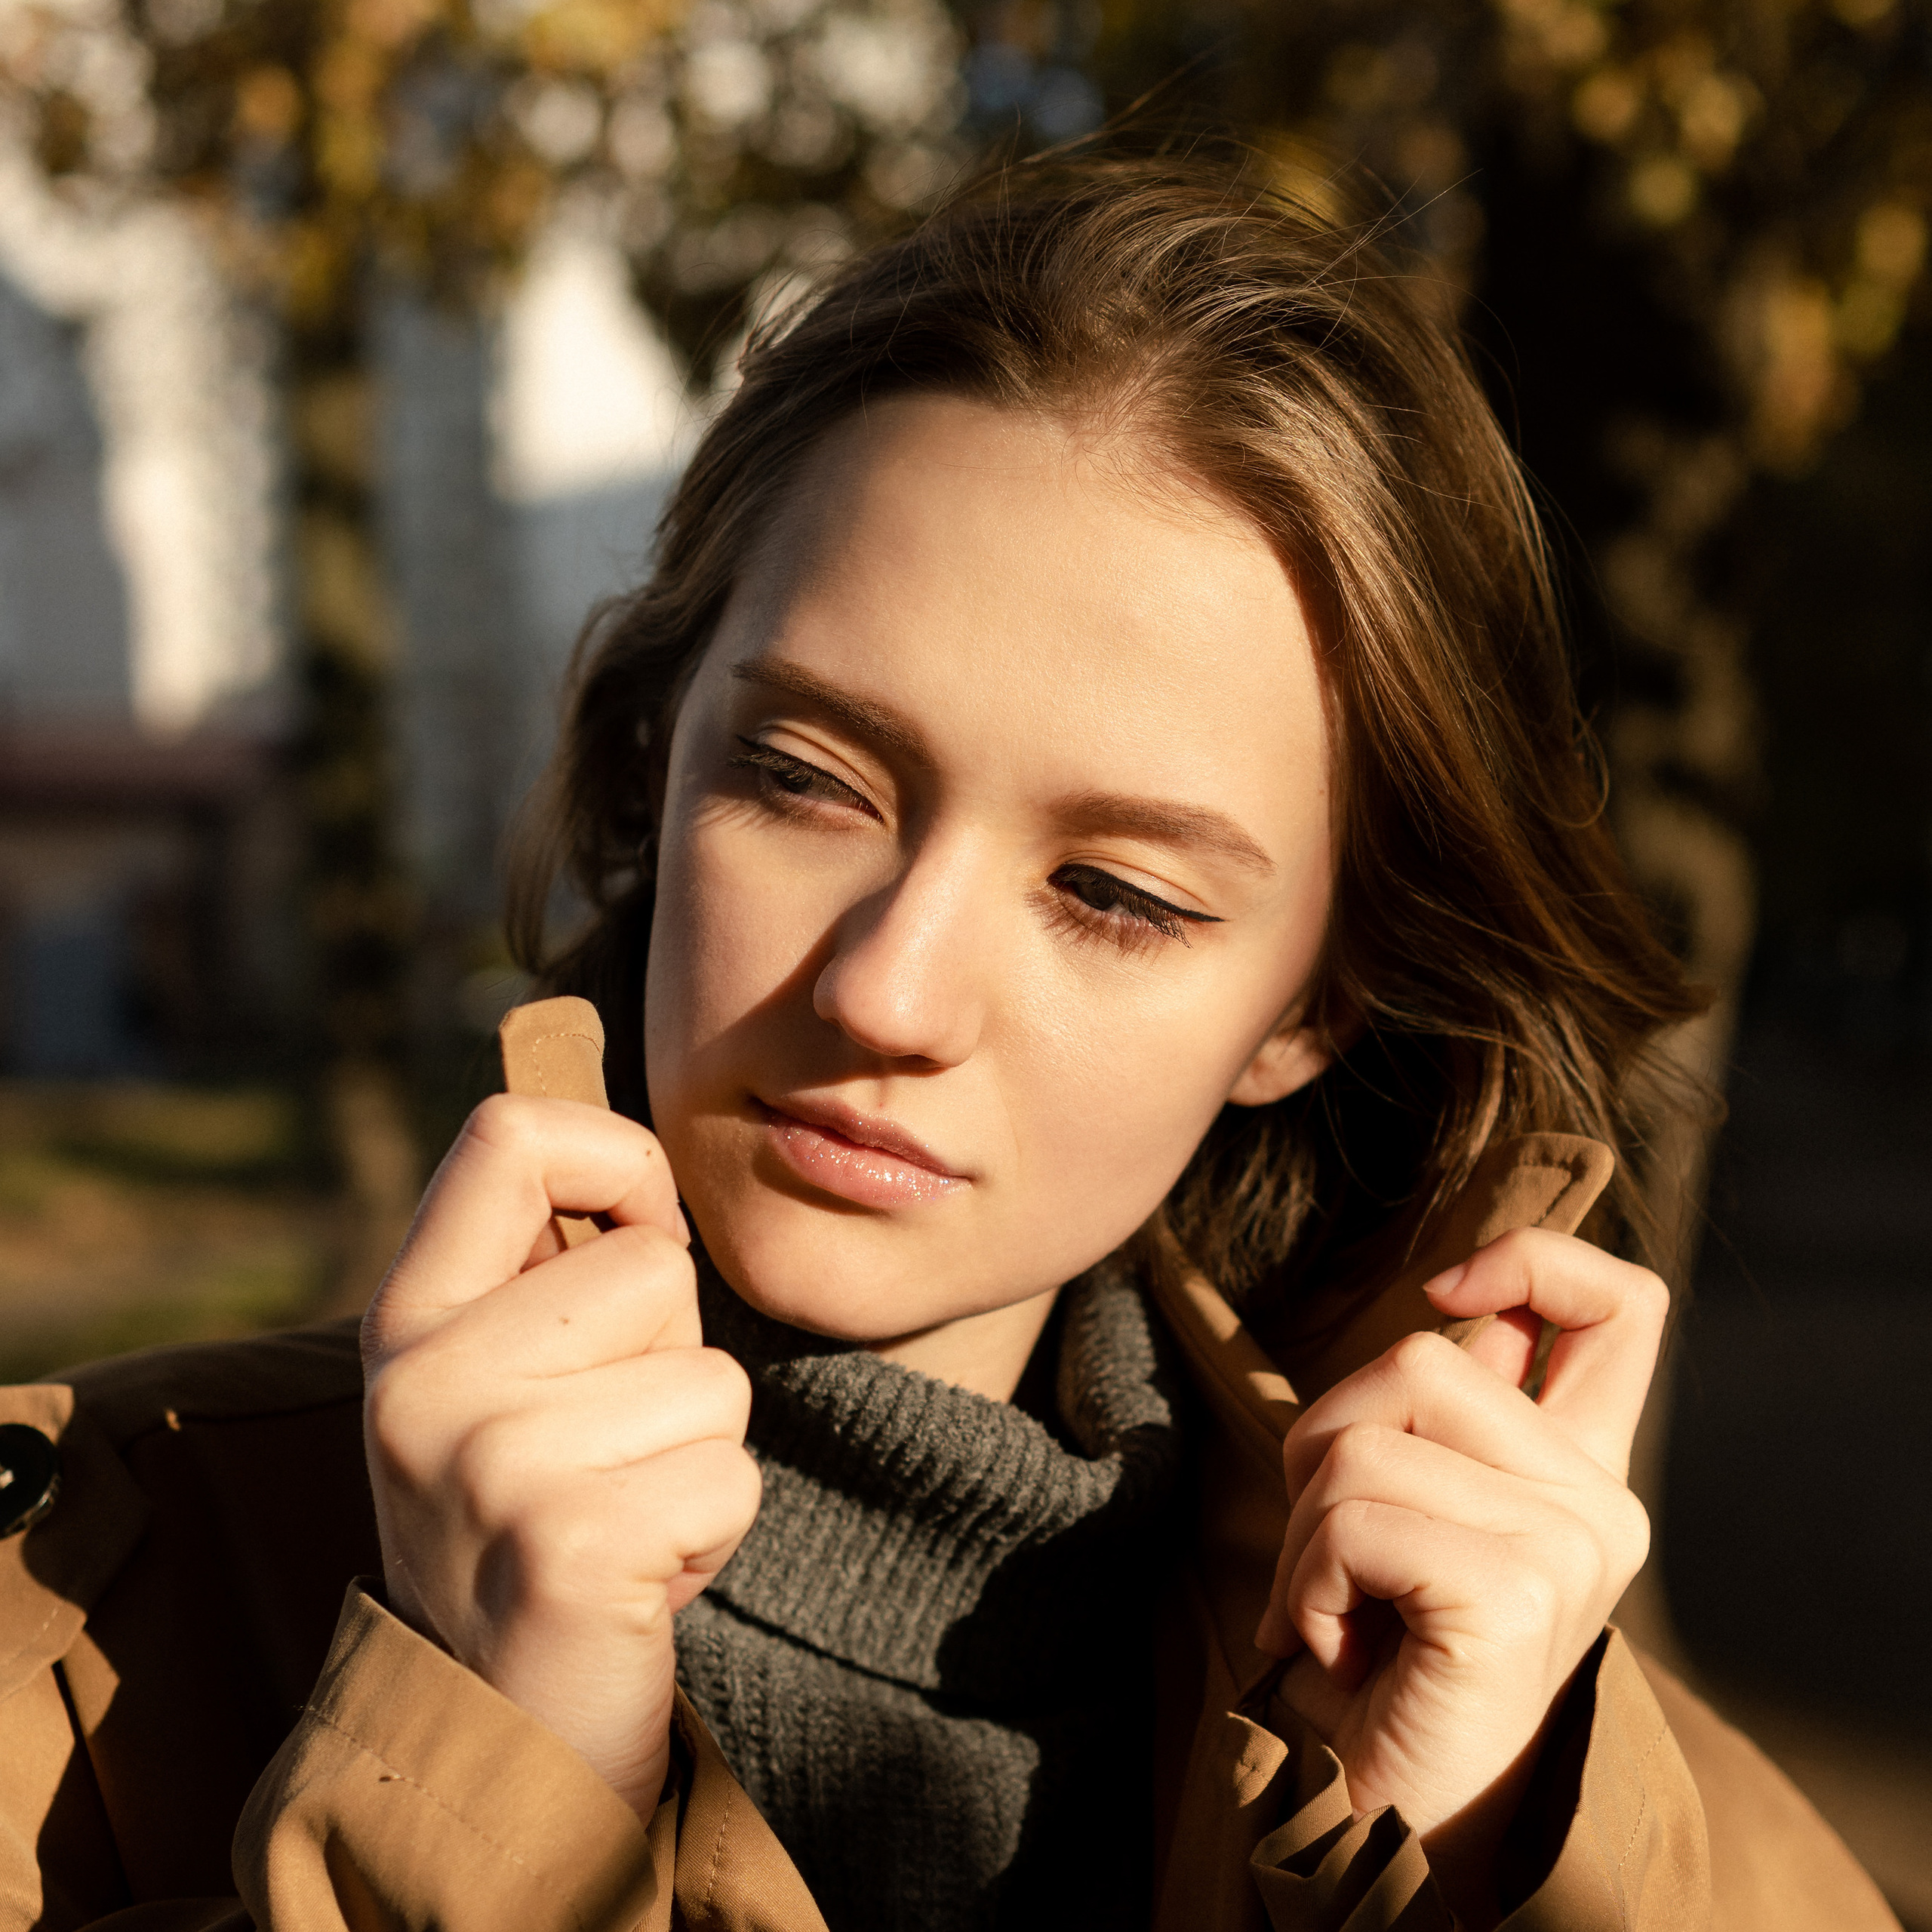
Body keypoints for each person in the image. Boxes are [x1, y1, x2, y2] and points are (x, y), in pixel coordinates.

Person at [0, 148, 1900, 1932]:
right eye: (807, 777)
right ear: (656, 760)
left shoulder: (1595, 1814)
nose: (885, 995)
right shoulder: (64, 1615)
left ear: (1314, 1006)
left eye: (1116, 892)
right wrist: (486, 1790)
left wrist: (1448, 1865)